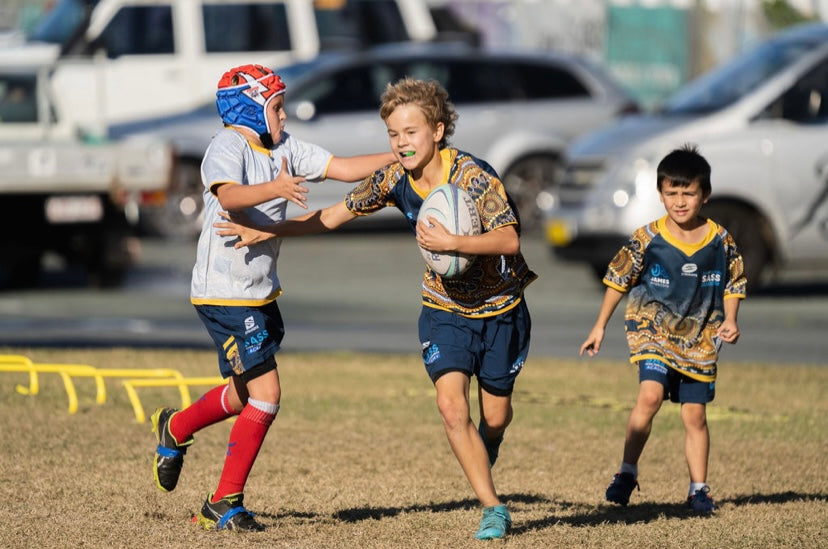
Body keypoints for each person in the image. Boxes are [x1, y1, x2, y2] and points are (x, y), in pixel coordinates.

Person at [215, 77, 537, 540]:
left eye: (412, 132)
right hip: (444, 308)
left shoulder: (474, 176)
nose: (401, 143)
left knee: (496, 417)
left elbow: (509, 238)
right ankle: (492, 508)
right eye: (393, 135)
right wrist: (272, 230)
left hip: (501, 307)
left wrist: (453, 243)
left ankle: (488, 444)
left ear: (438, 131)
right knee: (450, 406)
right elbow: (333, 215)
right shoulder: (392, 179)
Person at [150, 63, 395, 532]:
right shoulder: (228, 146)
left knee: (246, 394)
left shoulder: (285, 147)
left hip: (258, 293)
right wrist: (276, 188)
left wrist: (398, 156)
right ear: (250, 110)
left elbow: (341, 168)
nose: (284, 116)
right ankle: (223, 501)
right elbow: (231, 196)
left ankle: (177, 427)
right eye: (276, 107)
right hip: (224, 294)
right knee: (267, 394)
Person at [579, 144, 747, 514]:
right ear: (660, 194)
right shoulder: (646, 239)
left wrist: (731, 320)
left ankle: (698, 489)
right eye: (672, 193)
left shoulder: (720, 241)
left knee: (695, 416)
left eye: (688, 193)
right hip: (651, 329)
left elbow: (734, 283)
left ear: (705, 195)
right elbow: (618, 279)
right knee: (650, 396)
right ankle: (626, 471)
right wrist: (599, 326)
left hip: (701, 338)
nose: (680, 201)